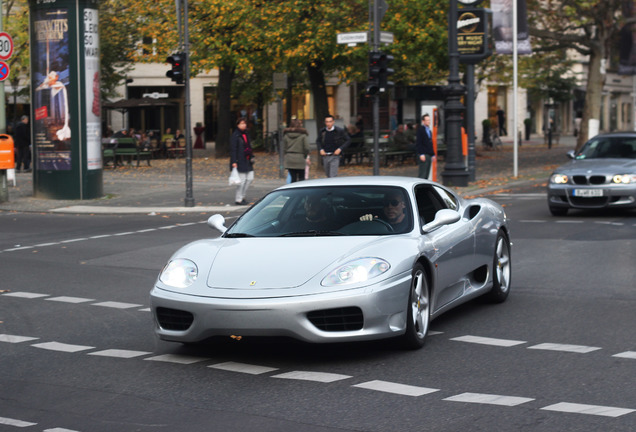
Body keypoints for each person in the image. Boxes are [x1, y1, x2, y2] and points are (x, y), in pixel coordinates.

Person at [230, 117, 254, 205]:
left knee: (250, 178)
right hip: (240, 160)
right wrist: (234, 161)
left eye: (244, 123)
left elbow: (249, 146)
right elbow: (233, 149)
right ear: (237, 125)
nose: (244, 125)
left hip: (247, 159)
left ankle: (242, 196)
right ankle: (239, 198)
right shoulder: (235, 135)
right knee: (242, 180)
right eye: (241, 123)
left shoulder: (246, 134)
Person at [415, 114, 435, 179]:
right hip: (424, 154)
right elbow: (419, 142)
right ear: (423, 121)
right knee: (422, 173)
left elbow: (430, 143)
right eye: (427, 120)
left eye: (429, 120)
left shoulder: (429, 131)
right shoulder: (420, 130)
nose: (428, 122)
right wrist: (421, 154)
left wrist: (432, 154)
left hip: (428, 153)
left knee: (426, 173)